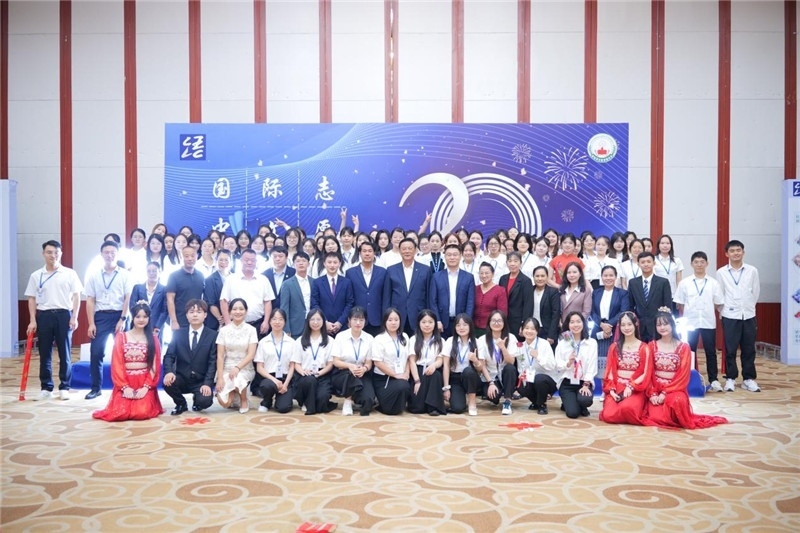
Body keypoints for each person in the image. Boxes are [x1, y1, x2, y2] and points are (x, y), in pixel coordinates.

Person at [642, 312, 728, 429]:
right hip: (655, 388)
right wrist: (652, 393)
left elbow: (683, 375)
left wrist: (665, 393)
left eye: (665, 324)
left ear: (672, 325)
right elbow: (648, 372)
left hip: (675, 388)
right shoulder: (651, 346)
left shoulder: (684, 347)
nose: (662, 327)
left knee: (677, 402)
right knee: (656, 417)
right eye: (659, 325)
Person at [25, 239, 83, 401]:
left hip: (64, 315)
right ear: (43, 254)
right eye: (49, 252)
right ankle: (46, 387)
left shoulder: (70, 273)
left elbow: (77, 296)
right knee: (44, 353)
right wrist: (32, 320)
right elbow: (31, 298)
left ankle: (64, 387)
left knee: (65, 353)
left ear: (61, 253)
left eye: (56, 252)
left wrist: (74, 317)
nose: (53, 255)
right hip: (44, 316)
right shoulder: (36, 275)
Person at [92, 303, 164, 421]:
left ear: (149, 318)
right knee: (120, 413)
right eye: (138, 316)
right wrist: (124, 387)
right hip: (125, 381)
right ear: (133, 317)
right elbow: (117, 363)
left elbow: (154, 365)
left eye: (145, 317)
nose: (141, 320)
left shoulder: (153, 338)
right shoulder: (121, 337)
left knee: (141, 413)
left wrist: (146, 387)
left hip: (144, 382)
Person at [84, 240, 132, 400]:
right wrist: (91, 323)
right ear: (101, 254)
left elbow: (128, 298)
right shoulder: (94, 275)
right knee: (96, 352)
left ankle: (124, 388)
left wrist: (123, 319)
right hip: (101, 316)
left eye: (113, 252)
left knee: (123, 354)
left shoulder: (125, 274)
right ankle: (96, 388)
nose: (109, 255)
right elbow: (90, 300)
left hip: (120, 315)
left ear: (117, 254)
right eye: (106, 252)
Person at [674, 251, 725, 392]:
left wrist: (707, 310)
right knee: (689, 350)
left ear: (707, 263)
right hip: (690, 323)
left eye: (702, 262)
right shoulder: (685, 283)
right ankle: (687, 378)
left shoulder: (713, 283)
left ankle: (713, 380)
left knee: (710, 351)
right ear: (691, 264)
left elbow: (718, 302)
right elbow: (680, 303)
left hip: (708, 322)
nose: (699, 265)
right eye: (696, 262)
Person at [716, 240, 761, 392]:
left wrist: (749, 307)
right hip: (730, 315)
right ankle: (730, 378)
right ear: (726, 254)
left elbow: (755, 292)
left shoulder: (752, 271)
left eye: (738, 250)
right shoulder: (721, 272)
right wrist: (724, 311)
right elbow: (720, 294)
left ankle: (748, 379)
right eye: (732, 251)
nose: (736, 253)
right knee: (730, 349)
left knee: (749, 349)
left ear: (743, 252)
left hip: (748, 314)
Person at [162, 299, 218, 414]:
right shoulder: (178, 334)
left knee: (205, 401)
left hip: (201, 380)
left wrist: (207, 384)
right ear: (187, 315)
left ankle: (197, 400)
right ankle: (181, 404)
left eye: (199, 312)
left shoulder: (213, 335)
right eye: (191, 312)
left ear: (205, 315)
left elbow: (213, 362)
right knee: (168, 383)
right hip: (182, 378)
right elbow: (169, 356)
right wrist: (169, 372)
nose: (195, 315)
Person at [599, 312, 650, 425]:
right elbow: (610, 371)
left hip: (635, 388)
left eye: (629, 324)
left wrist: (631, 386)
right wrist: (611, 390)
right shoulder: (614, 347)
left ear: (636, 324)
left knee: (628, 409)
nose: (626, 328)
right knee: (608, 415)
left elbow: (645, 373)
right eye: (623, 325)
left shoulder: (644, 347)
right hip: (617, 386)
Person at [215, 298, 258, 413]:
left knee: (238, 378)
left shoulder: (251, 330)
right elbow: (220, 356)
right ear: (229, 312)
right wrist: (220, 378)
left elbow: (251, 355)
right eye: (234, 309)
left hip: (244, 368)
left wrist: (237, 368)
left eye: (241, 309)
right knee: (225, 403)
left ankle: (244, 399)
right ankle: (233, 390)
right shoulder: (223, 331)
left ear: (246, 311)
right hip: (227, 368)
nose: (238, 312)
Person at [331, 306, 376, 416]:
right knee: (351, 377)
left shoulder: (369, 338)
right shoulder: (340, 337)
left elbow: (369, 362)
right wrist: (349, 366)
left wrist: (364, 369)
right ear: (349, 321)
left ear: (365, 321)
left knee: (368, 401)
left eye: (361, 320)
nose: (358, 323)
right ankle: (348, 401)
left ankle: (357, 397)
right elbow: (335, 361)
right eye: (355, 319)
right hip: (343, 373)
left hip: (361, 373)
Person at [382, 238, 432, 336]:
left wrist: (428, 316)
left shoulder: (425, 270)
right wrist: (386, 316)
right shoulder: (391, 270)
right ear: (399, 251)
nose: (407, 251)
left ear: (415, 250)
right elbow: (387, 296)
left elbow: (429, 296)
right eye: (404, 249)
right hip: (397, 316)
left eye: (410, 248)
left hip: (419, 315)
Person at [291, 308, 337, 415]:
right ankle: (306, 402)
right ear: (307, 321)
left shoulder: (330, 341)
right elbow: (296, 363)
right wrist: (303, 372)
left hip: (322, 374)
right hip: (305, 375)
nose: (315, 322)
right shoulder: (300, 340)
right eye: (312, 319)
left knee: (322, 399)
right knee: (309, 380)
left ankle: (312, 403)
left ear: (323, 321)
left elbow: (330, 364)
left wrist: (319, 373)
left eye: (318, 319)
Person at [220, 249, 275, 336]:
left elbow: (267, 302)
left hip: (258, 324)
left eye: (252, 260)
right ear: (241, 261)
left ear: (256, 262)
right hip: (236, 324)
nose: (249, 262)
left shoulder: (263, 279)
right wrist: (227, 322)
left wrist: (266, 321)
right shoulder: (231, 279)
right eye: (246, 260)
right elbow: (224, 301)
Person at [554, 311, 597, 419]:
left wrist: (586, 385)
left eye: (578, 321)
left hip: (583, 382)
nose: (575, 325)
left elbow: (592, 366)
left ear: (583, 323)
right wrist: (568, 363)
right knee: (573, 413)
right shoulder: (562, 343)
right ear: (568, 325)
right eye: (572, 322)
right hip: (567, 382)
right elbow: (558, 365)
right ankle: (569, 403)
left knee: (585, 400)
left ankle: (580, 404)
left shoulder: (591, 343)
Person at [476, 310, 519, 415]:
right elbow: (482, 366)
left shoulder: (511, 338)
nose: (496, 323)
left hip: (505, 375)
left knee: (510, 368)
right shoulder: (482, 340)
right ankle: (497, 391)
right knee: (494, 398)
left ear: (504, 323)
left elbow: (511, 361)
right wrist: (490, 383)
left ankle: (507, 401)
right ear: (489, 323)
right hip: (490, 376)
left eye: (499, 321)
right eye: (493, 320)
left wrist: (503, 348)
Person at [370, 307, 413, 415]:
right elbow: (377, 362)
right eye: (390, 320)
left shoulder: (405, 337)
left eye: (396, 320)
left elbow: (409, 358)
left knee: (404, 386)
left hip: (401, 376)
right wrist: (395, 375)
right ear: (385, 322)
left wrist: (407, 373)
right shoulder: (379, 339)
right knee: (391, 409)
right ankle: (384, 405)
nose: (393, 323)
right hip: (384, 378)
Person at [254, 309, 297, 413]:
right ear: (270, 321)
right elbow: (259, 367)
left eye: (280, 319)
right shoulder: (263, 342)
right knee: (267, 386)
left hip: (286, 378)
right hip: (269, 378)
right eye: (274, 319)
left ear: (285, 322)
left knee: (283, 408)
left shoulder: (292, 342)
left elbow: (292, 366)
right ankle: (267, 401)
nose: (277, 322)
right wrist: (274, 380)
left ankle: (281, 398)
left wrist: (285, 384)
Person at [429, 244, 476, 338]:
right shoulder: (436, 277)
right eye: (449, 255)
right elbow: (432, 301)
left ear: (460, 256)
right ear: (444, 257)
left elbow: (470, 302)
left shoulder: (469, 277)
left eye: (455, 254)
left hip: (461, 323)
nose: (452, 257)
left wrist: (466, 322)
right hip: (442, 323)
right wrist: (437, 320)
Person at [407, 309, 447, 416]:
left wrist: (434, 365)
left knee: (436, 375)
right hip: (418, 371)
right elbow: (412, 361)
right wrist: (417, 381)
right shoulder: (413, 339)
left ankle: (433, 407)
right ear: (419, 323)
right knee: (417, 408)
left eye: (430, 322)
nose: (427, 325)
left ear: (435, 324)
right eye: (424, 322)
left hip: (432, 370)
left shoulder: (441, 341)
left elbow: (440, 360)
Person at [515, 318, 558, 415]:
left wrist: (538, 357)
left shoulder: (544, 344)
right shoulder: (520, 346)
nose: (529, 331)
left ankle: (542, 404)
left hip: (547, 380)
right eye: (526, 328)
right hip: (530, 379)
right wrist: (522, 375)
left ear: (537, 331)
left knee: (539, 379)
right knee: (520, 386)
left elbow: (551, 366)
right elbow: (520, 366)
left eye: (532, 329)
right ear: (522, 330)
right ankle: (536, 402)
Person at [442, 313, 482, 415]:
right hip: (455, 378)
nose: (461, 328)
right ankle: (460, 398)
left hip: (471, 378)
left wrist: (475, 360)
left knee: (468, 371)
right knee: (457, 408)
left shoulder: (477, 342)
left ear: (470, 326)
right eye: (458, 325)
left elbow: (481, 369)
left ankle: (472, 403)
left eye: (465, 324)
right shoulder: (450, 341)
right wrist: (446, 388)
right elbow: (446, 366)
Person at [627, 252, 672, 342]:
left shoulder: (663, 282)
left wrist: (663, 324)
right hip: (639, 326)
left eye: (648, 261)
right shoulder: (633, 283)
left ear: (654, 263)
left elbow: (667, 305)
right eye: (643, 262)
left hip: (658, 326)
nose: (646, 264)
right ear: (638, 264)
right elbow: (630, 305)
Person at [346, 241, 387, 336]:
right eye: (364, 251)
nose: (367, 253)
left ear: (374, 253)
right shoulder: (350, 273)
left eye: (370, 251)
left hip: (377, 319)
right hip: (357, 319)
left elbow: (385, 297)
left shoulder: (383, 272)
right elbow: (349, 298)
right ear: (360, 253)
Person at [589, 265, 630, 359]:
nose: (608, 278)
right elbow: (591, 311)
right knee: (596, 357)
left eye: (611, 275)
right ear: (601, 277)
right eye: (605, 275)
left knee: (614, 357)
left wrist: (609, 324)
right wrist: (601, 324)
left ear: (615, 277)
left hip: (615, 329)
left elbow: (623, 311)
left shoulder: (622, 293)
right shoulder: (596, 292)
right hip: (598, 328)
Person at [311, 252, 355, 337]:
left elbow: (349, 303)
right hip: (323, 326)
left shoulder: (346, 282)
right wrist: (325, 322)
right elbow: (315, 304)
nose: (332, 265)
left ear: (339, 264)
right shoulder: (317, 282)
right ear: (324, 263)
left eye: (335, 262)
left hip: (342, 326)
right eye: (329, 262)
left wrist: (340, 322)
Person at [166, 245, 205, 330]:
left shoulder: (201, 276)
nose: (190, 259)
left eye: (192, 256)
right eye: (186, 256)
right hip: (180, 320)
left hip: (197, 320)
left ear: (197, 257)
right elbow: (170, 299)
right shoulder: (174, 276)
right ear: (181, 257)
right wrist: (173, 321)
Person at [129, 261, 168, 340]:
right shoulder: (137, 288)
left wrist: (157, 327)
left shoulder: (164, 289)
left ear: (160, 272)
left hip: (156, 328)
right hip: (138, 326)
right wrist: (139, 320)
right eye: (149, 271)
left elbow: (165, 311)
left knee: (155, 347)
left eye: (154, 271)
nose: (151, 273)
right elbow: (132, 306)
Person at [498, 251, 534, 336]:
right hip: (503, 319)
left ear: (520, 263)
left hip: (517, 321)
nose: (512, 264)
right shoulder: (502, 279)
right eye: (510, 261)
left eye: (515, 261)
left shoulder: (526, 281)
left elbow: (528, 305)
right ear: (506, 263)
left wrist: (524, 324)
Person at [279, 251, 312, 338]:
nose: (301, 263)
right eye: (298, 261)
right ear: (293, 264)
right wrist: (286, 329)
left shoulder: (314, 282)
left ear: (308, 264)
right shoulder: (287, 284)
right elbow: (284, 308)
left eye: (304, 261)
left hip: (313, 324)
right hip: (295, 327)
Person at [473, 262, 508, 336]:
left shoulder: (500, 290)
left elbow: (502, 312)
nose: (484, 275)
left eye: (487, 273)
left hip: (491, 329)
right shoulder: (475, 289)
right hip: (474, 328)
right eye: (481, 273)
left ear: (493, 274)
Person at [531, 265, 560, 348]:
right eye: (537, 276)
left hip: (547, 331)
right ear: (533, 277)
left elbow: (556, 314)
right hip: (531, 329)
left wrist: (551, 335)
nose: (540, 279)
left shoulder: (553, 292)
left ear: (547, 277)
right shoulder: (529, 290)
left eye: (542, 276)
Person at [203, 249, 231, 330]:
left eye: (226, 260)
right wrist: (221, 319)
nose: (223, 262)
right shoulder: (210, 280)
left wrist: (230, 317)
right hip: (216, 321)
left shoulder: (235, 278)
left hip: (233, 319)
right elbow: (210, 303)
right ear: (216, 261)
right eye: (220, 260)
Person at [263, 245, 295, 312]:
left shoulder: (294, 273)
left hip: (289, 311)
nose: (277, 259)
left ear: (286, 257)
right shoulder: (265, 275)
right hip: (270, 312)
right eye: (274, 256)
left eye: (280, 256)